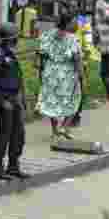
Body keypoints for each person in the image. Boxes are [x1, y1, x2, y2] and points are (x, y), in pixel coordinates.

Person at [0, 23, 28, 180]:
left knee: (18, 134)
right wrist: (0, 101)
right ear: (11, 38)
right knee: (3, 134)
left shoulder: (10, 53)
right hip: (4, 101)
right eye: (16, 37)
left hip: (14, 99)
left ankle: (13, 166)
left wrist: (21, 98)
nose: (17, 39)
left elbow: (17, 77)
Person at [36, 11, 82, 140]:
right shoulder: (72, 38)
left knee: (52, 100)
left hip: (50, 71)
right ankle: (64, 127)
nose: (76, 23)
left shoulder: (48, 35)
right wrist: (80, 73)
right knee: (74, 99)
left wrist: (42, 71)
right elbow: (76, 58)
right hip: (67, 72)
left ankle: (55, 130)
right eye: (74, 21)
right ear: (68, 23)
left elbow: (41, 53)